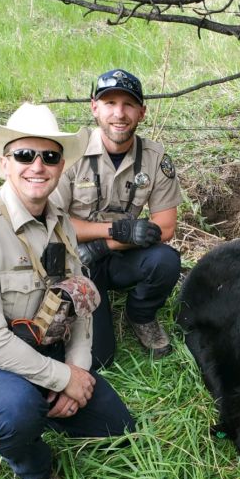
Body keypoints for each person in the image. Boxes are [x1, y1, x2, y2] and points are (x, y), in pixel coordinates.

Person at [0, 103, 135, 479]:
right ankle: (34, 470)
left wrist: (77, 372)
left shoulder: (59, 222)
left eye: (49, 156)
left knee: (118, 427)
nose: (38, 166)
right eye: (25, 155)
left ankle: (42, 401)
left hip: (43, 342)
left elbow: (78, 297)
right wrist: (60, 377)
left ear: (61, 165)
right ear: (5, 163)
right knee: (14, 413)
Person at [53, 69, 182, 367]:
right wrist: (118, 230)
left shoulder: (155, 158)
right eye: (110, 103)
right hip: (77, 260)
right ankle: (88, 309)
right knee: (99, 359)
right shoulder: (71, 153)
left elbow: (166, 226)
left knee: (165, 260)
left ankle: (140, 314)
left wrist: (106, 244)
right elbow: (55, 223)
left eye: (128, 104)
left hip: (117, 255)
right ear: (94, 107)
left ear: (142, 112)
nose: (119, 113)